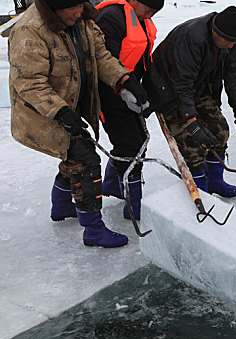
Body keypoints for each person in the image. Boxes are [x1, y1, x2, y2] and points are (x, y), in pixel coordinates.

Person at [9, 0, 150, 248]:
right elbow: (30, 83)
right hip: (41, 109)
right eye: (72, 8)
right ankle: (93, 229)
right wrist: (61, 112)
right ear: (53, 7)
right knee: (85, 159)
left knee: (74, 154)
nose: (79, 12)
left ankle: (62, 206)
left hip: (71, 102)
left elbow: (102, 56)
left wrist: (124, 81)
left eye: (80, 5)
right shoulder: (30, 31)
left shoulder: (82, 20)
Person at [144, 6, 236, 197]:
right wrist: (192, 122)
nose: (232, 46)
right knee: (191, 141)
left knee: (220, 131)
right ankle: (200, 188)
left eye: (235, 42)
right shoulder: (192, 37)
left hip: (198, 85)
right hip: (168, 89)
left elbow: (233, 73)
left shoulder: (231, 39)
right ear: (216, 33)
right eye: (229, 42)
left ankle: (216, 181)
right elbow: (181, 84)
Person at [95, 0, 163, 221]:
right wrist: (124, 88)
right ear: (134, 1)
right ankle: (133, 204)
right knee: (130, 144)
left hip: (129, 86)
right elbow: (104, 61)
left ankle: (113, 185)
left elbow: (143, 60)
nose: (150, 15)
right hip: (107, 91)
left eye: (154, 13)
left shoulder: (140, 19)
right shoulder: (111, 17)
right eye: (149, 10)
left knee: (139, 139)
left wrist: (147, 91)